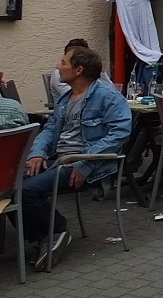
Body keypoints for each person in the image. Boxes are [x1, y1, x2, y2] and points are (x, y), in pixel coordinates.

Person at [21, 46, 131, 271]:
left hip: (86, 165)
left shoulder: (107, 97)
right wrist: (37, 153)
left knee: (27, 191)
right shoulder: (65, 99)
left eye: (63, 62)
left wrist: (85, 162)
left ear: (78, 70)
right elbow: (50, 129)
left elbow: (119, 133)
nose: (57, 66)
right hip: (59, 159)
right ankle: (45, 236)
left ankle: (57, 230)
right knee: (12, 185)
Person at [48, 38, 116, 103]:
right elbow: (77, 98)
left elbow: (113, 92)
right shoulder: (60, 74)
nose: (59, 66)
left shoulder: (90, 73)